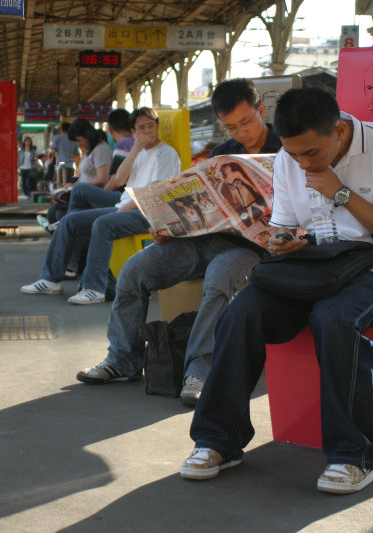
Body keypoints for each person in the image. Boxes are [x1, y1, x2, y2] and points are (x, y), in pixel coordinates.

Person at [180, 87, 373, 495]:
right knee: (242, 312)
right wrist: (282, 240)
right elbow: (287, 224)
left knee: (334, 318)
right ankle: (218, 440)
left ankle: (355, 454)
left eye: (310, 153)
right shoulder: (289, 158)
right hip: (314, 263)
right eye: (293, 154)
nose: (301, 163)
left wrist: (339, 192)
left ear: (340, 130)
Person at [75, 78, 281, 405]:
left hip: (252, 247)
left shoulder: (287, 148)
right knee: (133, 272)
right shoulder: (224, 153)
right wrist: (168, 225)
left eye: (246, 122)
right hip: (204, 238)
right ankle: (123, 359)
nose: (241, 133)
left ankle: (199, 369)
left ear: (261, 110)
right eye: (231, 127)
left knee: (218, 281)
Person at [20, 108, 180, 305]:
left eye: (151, 125)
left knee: (103, 224)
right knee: (71, 221)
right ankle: (50, 279)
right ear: (134, 132)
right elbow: (120, 178)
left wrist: (120, 210)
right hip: (125, 205)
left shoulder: (166, 154)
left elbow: (154, 193)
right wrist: (136, 149)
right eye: (141, 127)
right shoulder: (138, 152)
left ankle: (94, 288)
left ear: (157, 126)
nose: (147, 131)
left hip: (149, 212)